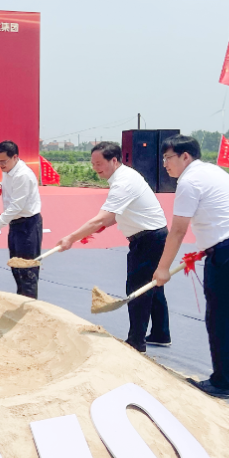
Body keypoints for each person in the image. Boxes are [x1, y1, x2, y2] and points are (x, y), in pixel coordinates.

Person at [153, 135, 229, 399]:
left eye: (168, 158)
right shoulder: (213, 172)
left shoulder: (189, 181)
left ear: (185, 156)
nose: (165, 164)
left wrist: (163, 269)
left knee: (221, 319)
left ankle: (222, 382)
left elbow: (178, 230)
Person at [59, 141, 171, 354]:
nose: (96, 168)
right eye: (93, 164)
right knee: (152, 285)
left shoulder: (123, 182)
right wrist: (94, 229)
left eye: (99, 163)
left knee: (138, 288)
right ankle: (160, 333)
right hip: (152, 235)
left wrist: (71, 238)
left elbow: (102, 218)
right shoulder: (123, 176)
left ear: (114, 160)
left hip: (149, 239)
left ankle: (136, 342)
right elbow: (111, 218)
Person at [0, 140, 42, 298]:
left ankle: (29, 306)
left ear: (15, 157)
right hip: (15, 224)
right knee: (15, 266)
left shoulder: (23, 175)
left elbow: (16, 206)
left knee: (27, 270)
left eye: (3, 161)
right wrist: (1, 186)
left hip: (28, 225)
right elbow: (11, 187)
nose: (0, 165)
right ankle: (20, 299)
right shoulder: (8, 169)